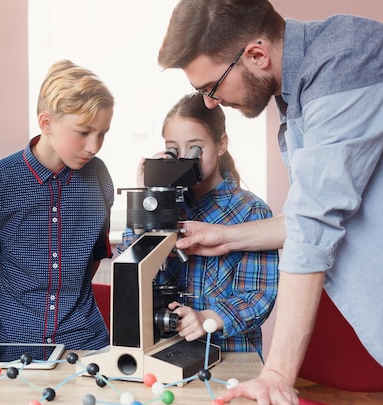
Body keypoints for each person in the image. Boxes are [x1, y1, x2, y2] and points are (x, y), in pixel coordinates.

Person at [157, 1, 383, 404]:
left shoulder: (342, 64)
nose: (209, 102)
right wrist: (226, 238)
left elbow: (315, 223)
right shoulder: (296, 88)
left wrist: (277, 374)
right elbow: (310, 215)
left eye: (211, 87)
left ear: (257, 55)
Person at [117, 93, 278, 358]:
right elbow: (129, 272)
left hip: (229, 354)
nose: (184, 160)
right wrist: (148, 202)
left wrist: (208, 318)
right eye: (173, 149)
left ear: (221, 144)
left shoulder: (251, 211)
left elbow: (259, 296)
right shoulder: (161, 206)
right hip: (165, 351)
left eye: (195, 148)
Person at [0, 59, 114, 351]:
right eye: (84, 132)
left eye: (102, 133)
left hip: (86, 341)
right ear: (46, 122)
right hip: (15, 343)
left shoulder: (99, 176)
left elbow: (95, 254)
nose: (94, 146)